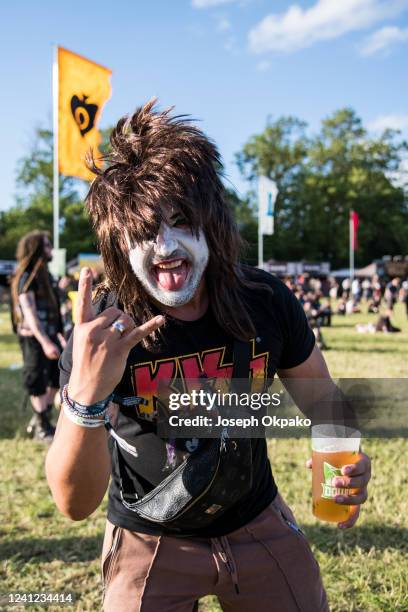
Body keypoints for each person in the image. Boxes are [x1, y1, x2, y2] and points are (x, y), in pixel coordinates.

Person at [45, 101, 371, 612]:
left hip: (253, 517)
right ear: (117, 242)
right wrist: (86, 393)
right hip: (148, 535)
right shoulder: (104, 328)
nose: (165, 244)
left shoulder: (263, 300)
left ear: (212, 221)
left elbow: (324, 398)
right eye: (144, 230)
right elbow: (73, 504)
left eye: (181, 220)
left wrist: (346, 463)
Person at [11, 231, 64, 441]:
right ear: (36, 249)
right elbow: (29, 313)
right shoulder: (27, 276)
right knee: (36, 380)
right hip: (35, 339)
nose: (51, 249)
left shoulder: (44, 274)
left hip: (51, 335)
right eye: (47, 245)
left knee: (54, 378)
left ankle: (42, 418)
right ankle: (42, 427)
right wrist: (44, 342)